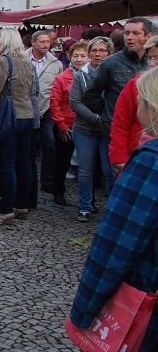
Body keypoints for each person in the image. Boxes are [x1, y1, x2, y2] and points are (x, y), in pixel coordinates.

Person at [69, 65, 158, 352]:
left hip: (146, 298)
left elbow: (116, 244)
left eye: (141, 100)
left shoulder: (150, 163)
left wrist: (85, 310)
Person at [84, 17, 153, 194]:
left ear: (148, 36)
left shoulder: (151, 63)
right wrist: (106, 115)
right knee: (117, 182)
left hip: (146, 135)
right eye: (127, 33)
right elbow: (92, 95)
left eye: (135, 33)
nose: (129, 37)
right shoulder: (110, 64)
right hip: (116, 132)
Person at [0, 28, 38, 225]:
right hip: (26, 114)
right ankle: (22, 204)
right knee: (24, 163)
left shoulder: (4, 61)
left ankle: (6, 209)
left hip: (9, 117)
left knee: (7, 164)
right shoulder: (27, 62)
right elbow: (32, 89)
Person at [69, 36, 113, 222]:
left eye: (102, 51)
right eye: (94, 51)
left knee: (109, 169)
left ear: (109, 53)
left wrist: (106, 120)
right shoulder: (81, 75)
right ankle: (85, 206)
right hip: (84, 127)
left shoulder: (114, 72)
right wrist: (95, 118)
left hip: (109, 128)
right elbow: (75, 102)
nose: (98, 54)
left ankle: (113, 207)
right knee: (85, 170)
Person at [108, 37, 158, 178]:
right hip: (135, 154)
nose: (153, 63)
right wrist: (119, 157)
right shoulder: (136, 84)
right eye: (151, 58)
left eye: (157, 58)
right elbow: (120, 121)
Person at [49, 42, 89, 207]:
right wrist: (61, 124)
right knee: (62, 160)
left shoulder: (93, 76)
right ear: (70, 57)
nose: (79, 59)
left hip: (86, 125)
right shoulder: (62, 78)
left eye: (82, 56)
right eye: (76, 56)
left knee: (87, 163)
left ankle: (88, 198)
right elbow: (55, 102)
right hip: (66, 124)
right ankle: (58, 191)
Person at [25, 30, 63, 200]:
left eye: (47, 42)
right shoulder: (22, 58)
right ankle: (29, 179)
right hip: (26, 110)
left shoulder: (56, 63)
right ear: (33, 43)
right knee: (29, 147)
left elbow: (57, 87)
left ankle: (47, 181)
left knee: (49, 145)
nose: (46, 45)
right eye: (42, 42)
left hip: (46, 110)